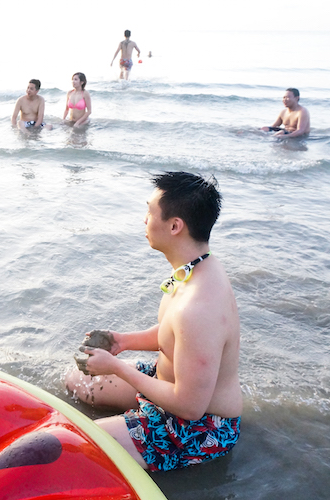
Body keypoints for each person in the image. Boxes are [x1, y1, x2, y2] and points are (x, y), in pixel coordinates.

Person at [66, 172, 242, 472]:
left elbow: (190, 406)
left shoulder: (199, 307)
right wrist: (122, 341)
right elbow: (175, 333)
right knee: (76, 381)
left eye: (150, 212)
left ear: (175, 226)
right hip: (166, 385)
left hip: (197, 427)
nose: (144, 220)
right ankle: (130, 420)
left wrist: (116, 367)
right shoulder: (194, 269)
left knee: (75, 443)